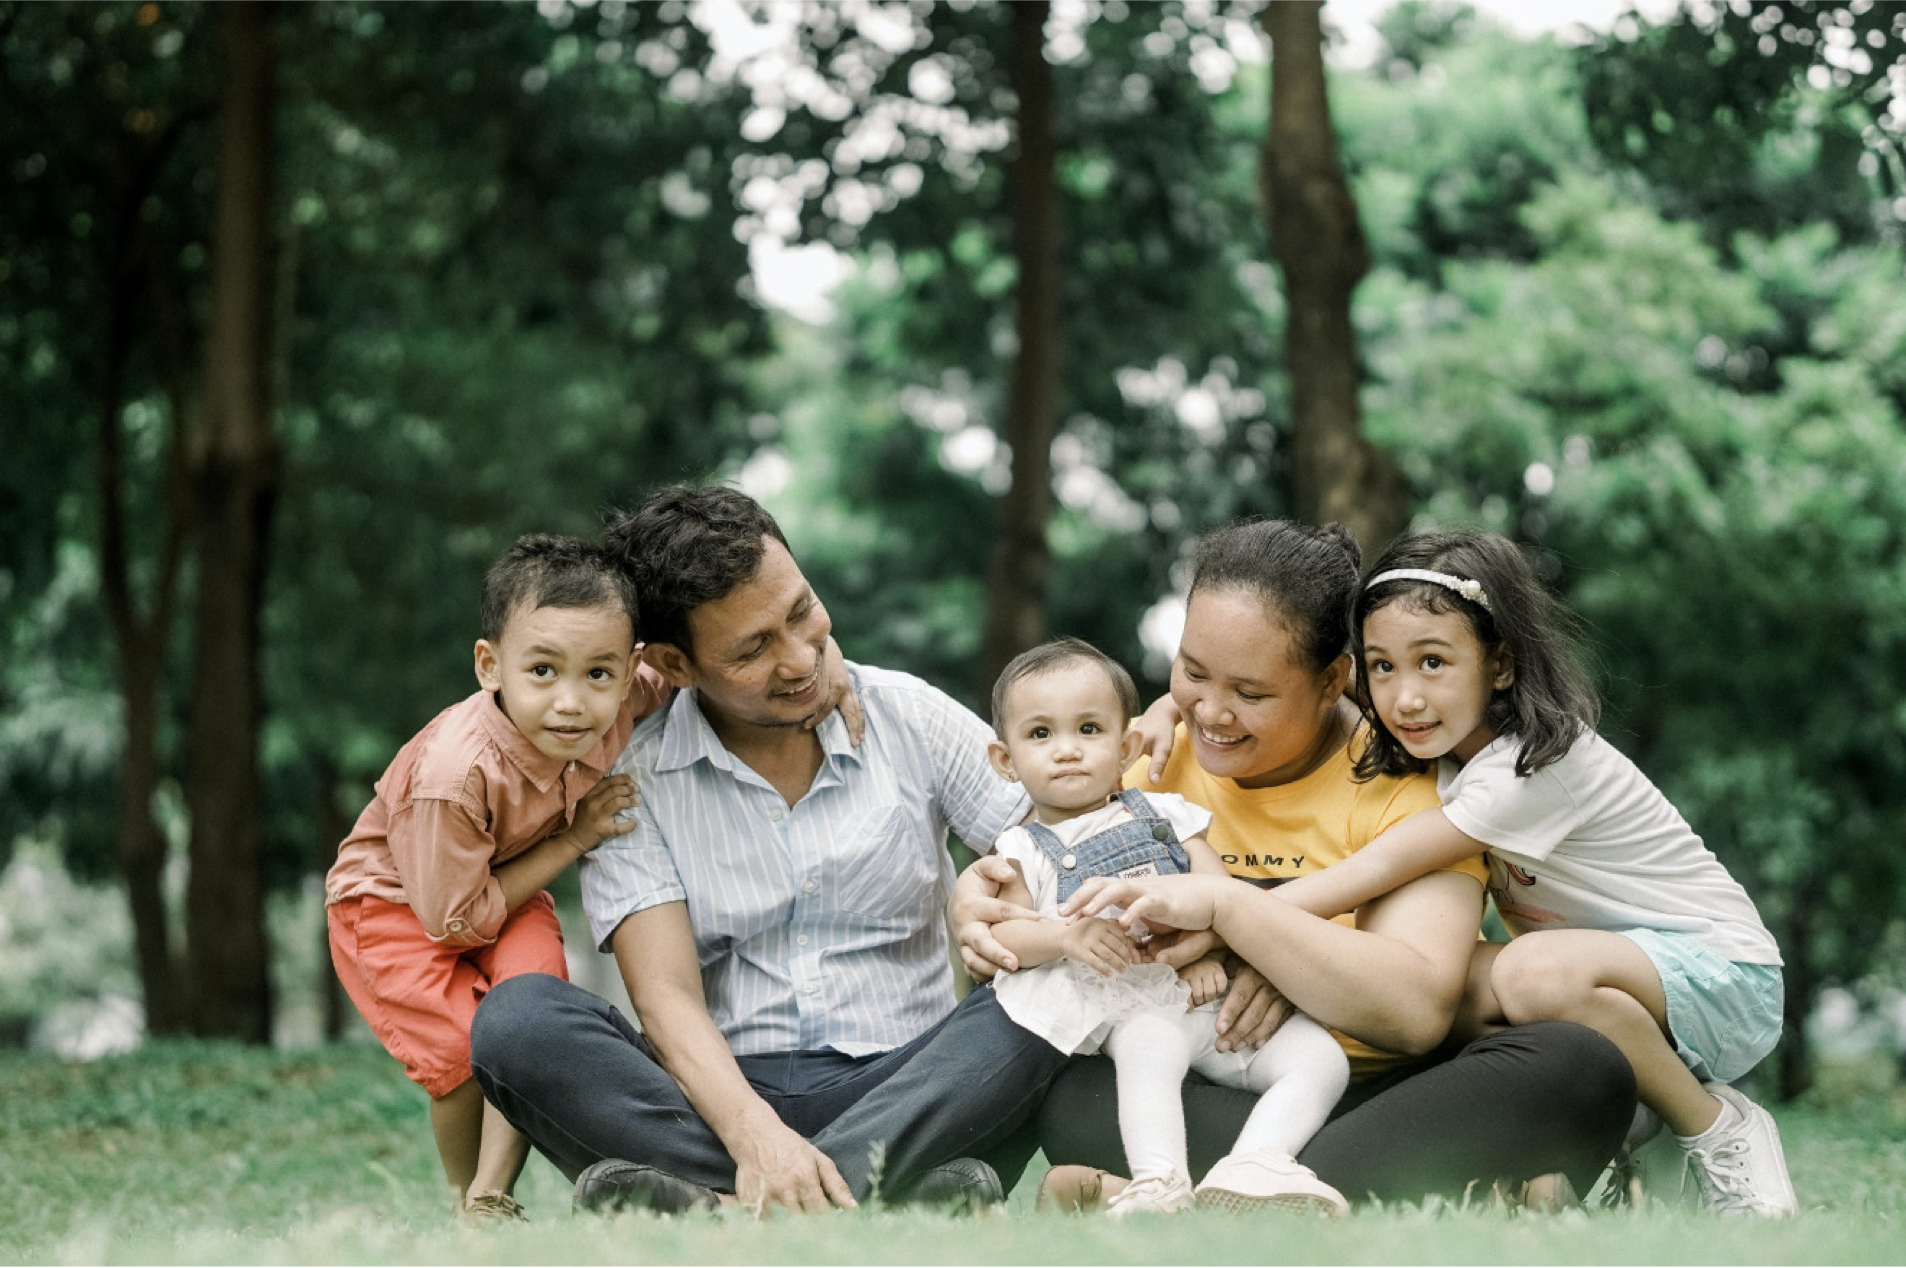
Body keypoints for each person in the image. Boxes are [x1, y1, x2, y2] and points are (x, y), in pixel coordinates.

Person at [956, 518, 1639, 1207]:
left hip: (1377, 1090)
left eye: (1251, 694)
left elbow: (1415, 1010)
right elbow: (1036, 894)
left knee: (1583, 1067)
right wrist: (978, 905)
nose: (1212, 712)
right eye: (1192, 672)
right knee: (1070, 1087)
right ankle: (1350, 1190)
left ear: (1332, 680)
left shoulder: (1407, 778)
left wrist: (1247, 927)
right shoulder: (1146, 756)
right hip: (1188, 1081)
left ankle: (1214, 1192)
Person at [467, 485, 1068, 1217]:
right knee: (517, 1020)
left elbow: (1066, 843)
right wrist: (758, 1138)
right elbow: (666, 1000)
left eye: (801, 612)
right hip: (719, 1103)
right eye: (754, 649)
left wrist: (1002, 895)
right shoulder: (634, 783)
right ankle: (885, 1198)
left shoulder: (904, 715)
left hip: (912, 1083)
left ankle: (726, 1212)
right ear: (674, 665)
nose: (799, 659)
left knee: (1059, 985)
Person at [1235, 529, 1794, 1216]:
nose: (1404, 697)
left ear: (1500, 664)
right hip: (1613, 983)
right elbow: (1312, 709)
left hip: (1726, 975)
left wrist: (1242, 922)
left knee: (1532, 973)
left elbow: (1378, 865)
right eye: (1382, 667)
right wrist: (1177, 708)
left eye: (1433, 662)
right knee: (1424, 986)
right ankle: (1628, 1113)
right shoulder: (1446, 748)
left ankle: (1714, 1125)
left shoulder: (1533, 764)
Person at [325, 534, 664, 1221]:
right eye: (543, 671)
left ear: (628, 674)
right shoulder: (455, 776)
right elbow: (451, 921)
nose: (572, 703)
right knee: (460, 1055)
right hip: (396, 907)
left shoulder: (620, 699)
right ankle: (468, 1205)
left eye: (598, 675)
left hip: (500, 889)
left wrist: (827, 665)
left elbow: (700, 665)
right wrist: (576, 835)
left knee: (532, 1017)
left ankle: (492, 1195)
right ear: (490, 666)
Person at [981, 637, 1350, 1217]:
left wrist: (1207, 954)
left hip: (1211, 1003)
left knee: (1323, 1058)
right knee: (1148, 1052)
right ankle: (1161, 1181)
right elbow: (1006, 938)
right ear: (1005, 760)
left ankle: (1253, 1164)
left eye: (1088, 730)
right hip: (1136, 1010)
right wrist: (1064, 937)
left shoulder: (1167, 816)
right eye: (1040, 734)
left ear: (1127, 746)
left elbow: (1220, 899)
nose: (1068, 751)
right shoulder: (1022, 848)